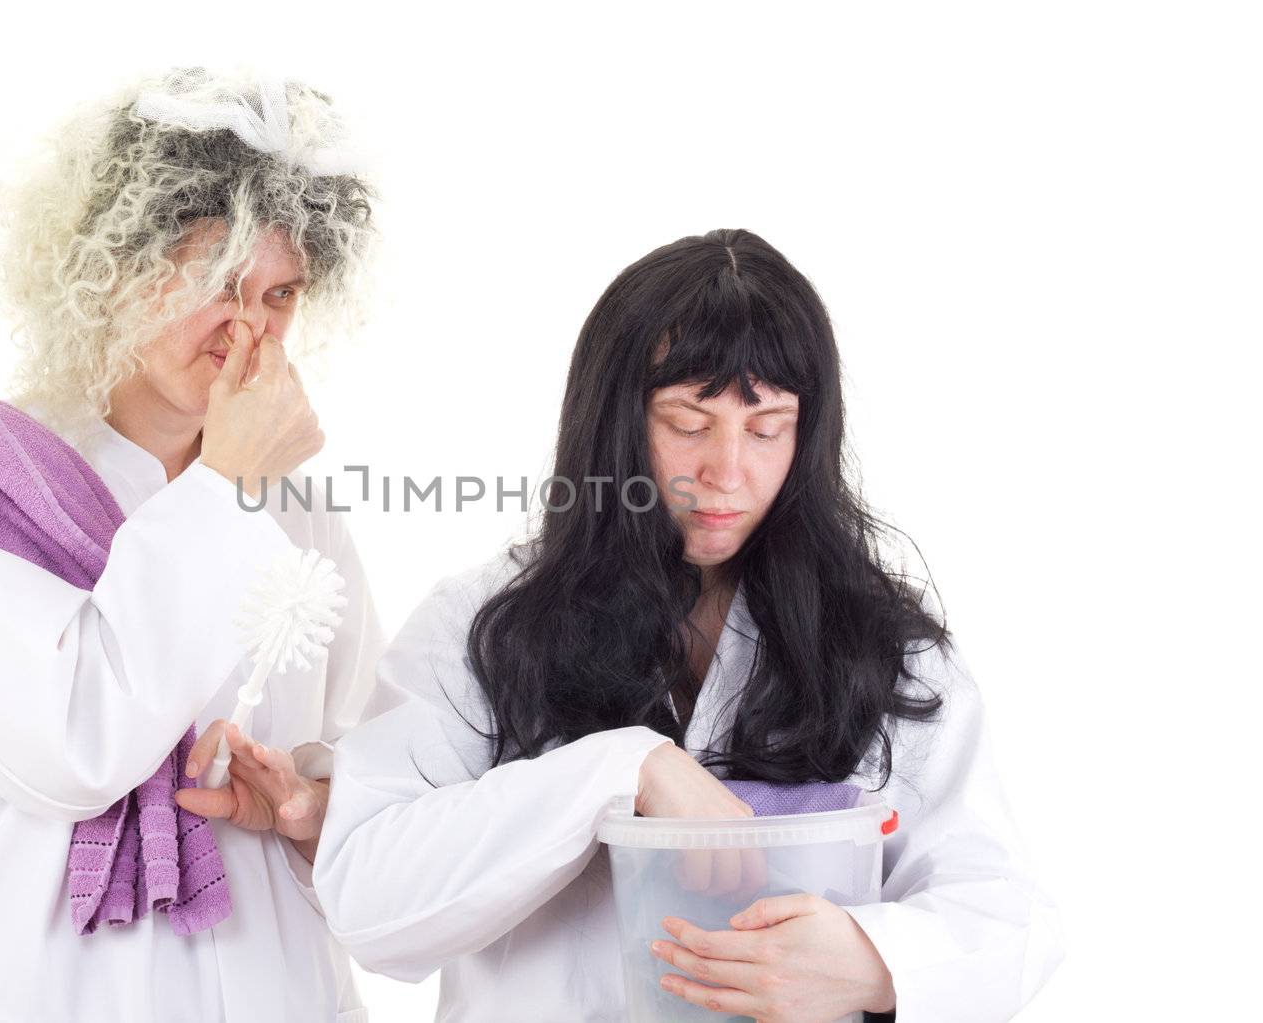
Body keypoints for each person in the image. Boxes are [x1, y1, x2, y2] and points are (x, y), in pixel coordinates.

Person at [313, 229, 1066, 1021]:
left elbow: (1007, 914)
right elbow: (368, 899)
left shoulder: (880, 646)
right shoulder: (485, 624)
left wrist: (871, 960)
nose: (728, 471)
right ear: (614, 422)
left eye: (767, 426)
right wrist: (619, 772)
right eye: (688, 421)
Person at [0, 66, 383, 1022]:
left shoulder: (297, 509)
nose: (252, 329)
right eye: (220, 280)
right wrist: (225, 484)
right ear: (110, 266)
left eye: (281, 295)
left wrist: (317, 805)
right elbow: (75, 743)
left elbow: (363, 752)